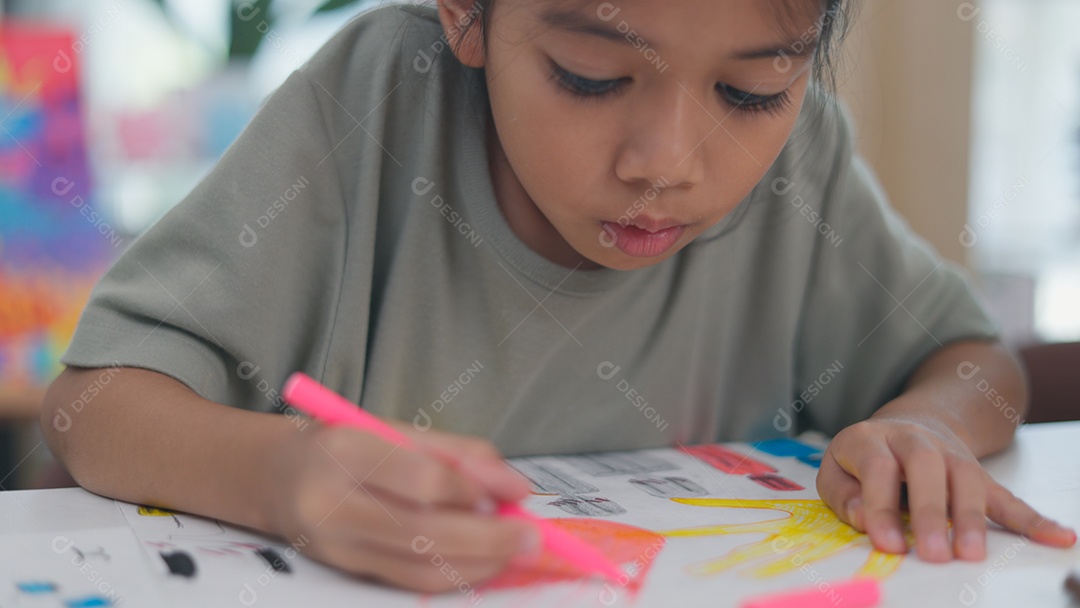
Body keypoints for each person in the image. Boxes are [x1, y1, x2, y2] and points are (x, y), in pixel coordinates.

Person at [41, 0, 1076, 593]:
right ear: (465, 14)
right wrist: (284, 476)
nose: (668, 161)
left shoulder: (802, 167)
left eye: (750, 92)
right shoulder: (369, 106)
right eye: (590, 75)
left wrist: (927, 425)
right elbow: (93, 404)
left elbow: (973, 361)